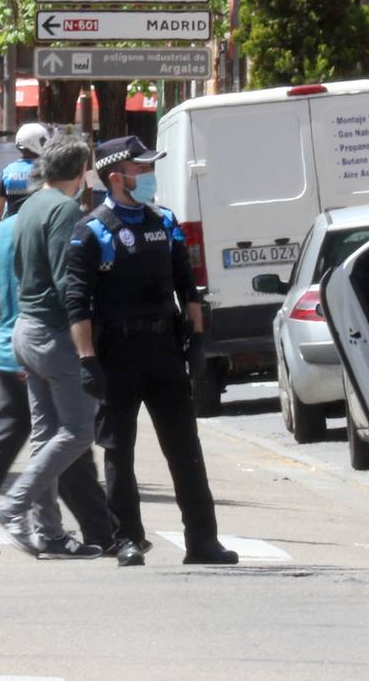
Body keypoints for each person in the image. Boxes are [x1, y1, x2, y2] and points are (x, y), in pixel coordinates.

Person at [63, 136, 238, 568]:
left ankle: (203, 541)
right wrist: (87, 360)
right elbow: (76, 303)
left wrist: (197, 343)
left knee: (185, 449)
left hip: (164, 349)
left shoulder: (166, 221)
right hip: (116, 354)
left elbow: (189, 288)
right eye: (141, 169)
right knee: (118, 451)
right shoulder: (92, 230)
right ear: (116, 176)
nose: (148, 176)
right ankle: (127, 539)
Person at [0, 154, 111, 557]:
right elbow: (63, 279)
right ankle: (7, 510)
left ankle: (59, 533)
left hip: (18, 339)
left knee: (46, 438)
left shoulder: (11, 224)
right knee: (73, 435)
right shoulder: (61, 212)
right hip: (47, 337)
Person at [0, 122, 52, 226]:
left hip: (13, 232)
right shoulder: (46, 170)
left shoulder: (8, 171)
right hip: (38, 231)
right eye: (42, 141)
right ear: (33, 142)